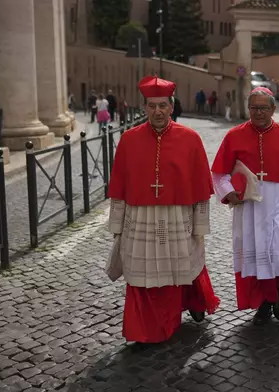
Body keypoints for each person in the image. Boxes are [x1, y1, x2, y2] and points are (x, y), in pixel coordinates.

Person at [108, 75, 220, 343]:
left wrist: (200, 227)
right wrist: (116, 227)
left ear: (171, 106)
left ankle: (174, 318)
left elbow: (201, 186)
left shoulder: (190, 139)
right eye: (151, 106)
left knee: (178, 269)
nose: (157, 111)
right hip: (140, 219)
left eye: (162, 105)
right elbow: (119, 186)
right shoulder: (128, 139)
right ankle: (143, 328)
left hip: (177, 217)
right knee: (140, 275)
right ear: (144, 108)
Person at [211, 87, 279, 325]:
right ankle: (263, 301)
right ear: (249, 109)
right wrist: (229, 193)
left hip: (278, 206)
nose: (259, 112)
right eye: (254, 108)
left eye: (264, 108)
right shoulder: (234, 135)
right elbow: (219, 174)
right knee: (254, 256)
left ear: (273, 109)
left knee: (278, 253)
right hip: (248, 210)